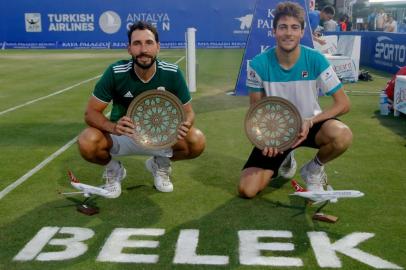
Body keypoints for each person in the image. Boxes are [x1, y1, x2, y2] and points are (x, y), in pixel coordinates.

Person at [77, 21, 206, 197]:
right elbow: (90, 113)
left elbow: (188, 111)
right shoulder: (116, 72)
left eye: (149, 43)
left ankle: (159, 163)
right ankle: (114, 169)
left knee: (196, 141)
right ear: (129, 48)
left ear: (158, 47)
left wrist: (186, 123)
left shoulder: (172, 72)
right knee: (86, 141)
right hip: (123, 134)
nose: (143, 49)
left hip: (160, 136)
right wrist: (113, 127)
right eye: (137, 43)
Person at [239, 1, 353, 198]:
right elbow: (257, 111)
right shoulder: (258, 64)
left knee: (342, 135)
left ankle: (314, 169)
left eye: (294, 28)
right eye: (283, 27)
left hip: (310, 124)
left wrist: (310, 121)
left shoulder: (316, 59)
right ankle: (286, 158)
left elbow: (343, 104)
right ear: (274, 31)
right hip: (278, 131)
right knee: (247, 190)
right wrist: (268, 139)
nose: (288, 33)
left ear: (302, 32)